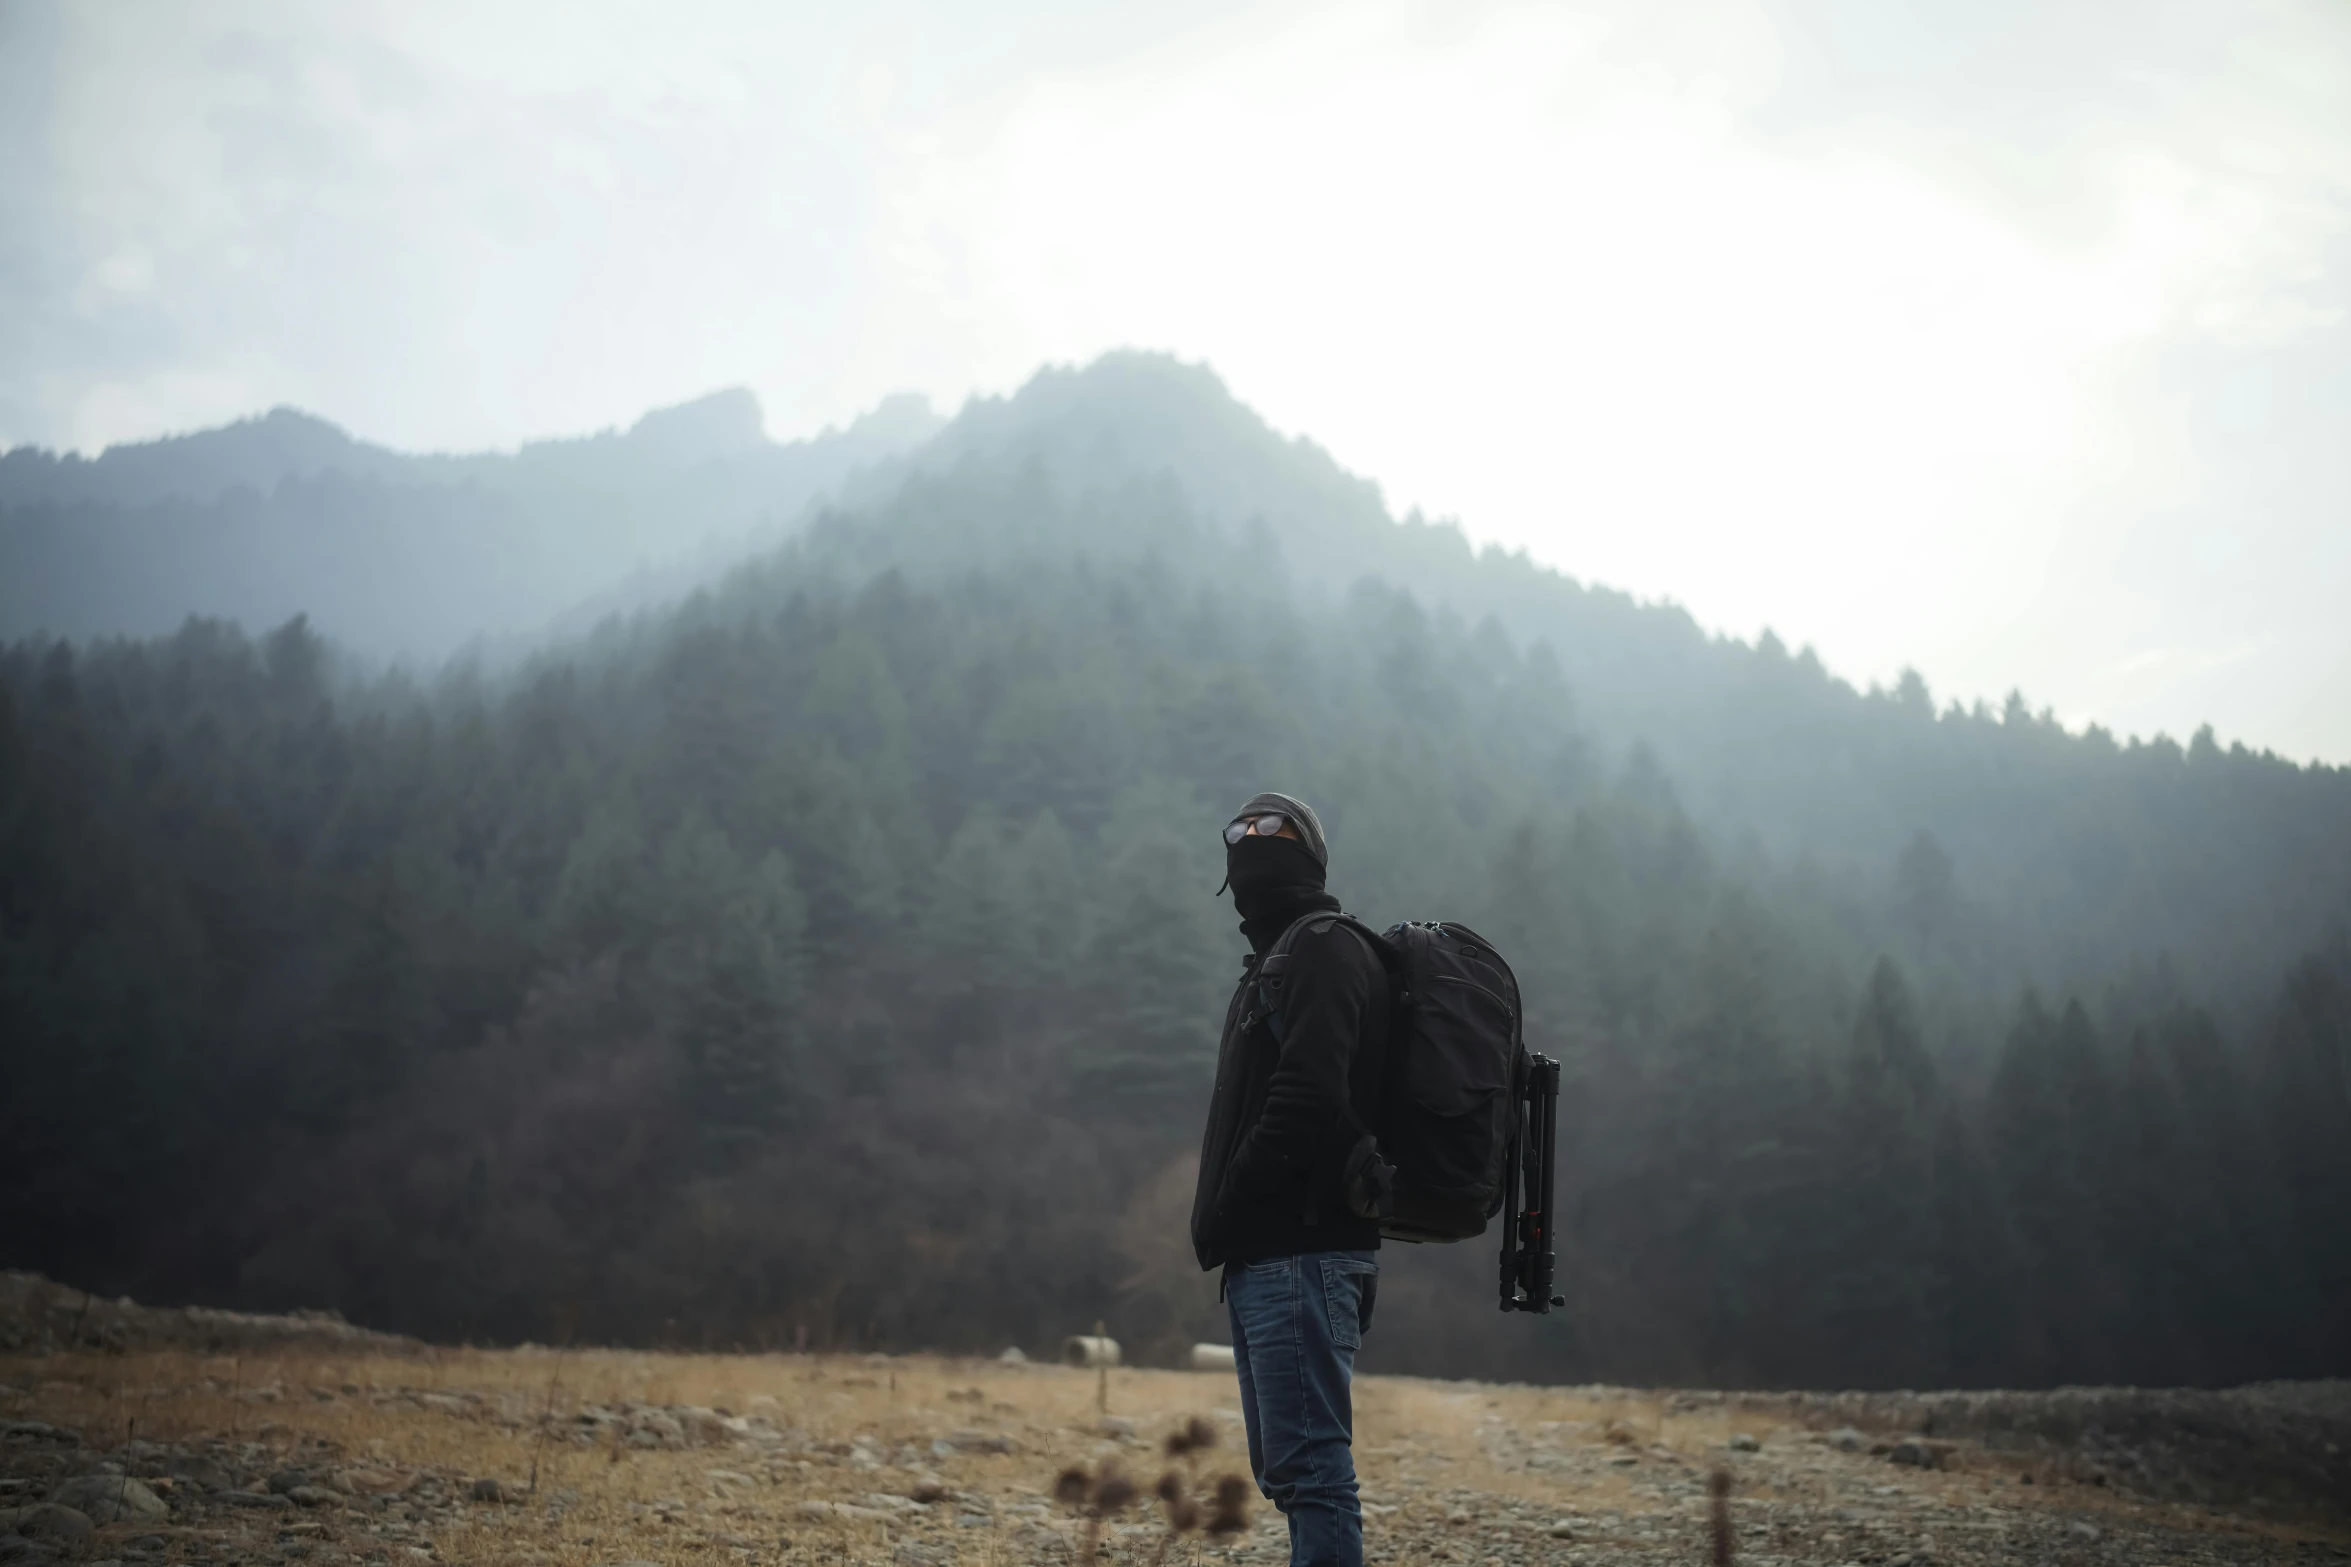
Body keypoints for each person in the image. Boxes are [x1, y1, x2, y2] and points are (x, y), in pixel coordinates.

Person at [1190, 790, 1390, 1567]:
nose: (1250, 840)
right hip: (1266, 1255)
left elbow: (1308, 1094)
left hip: (1301, 1248)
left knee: (1312, 1471)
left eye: (1271, 828)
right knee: (1288, 1469)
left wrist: (1235, 1199)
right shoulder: (1277, 959)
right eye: (1237, 831)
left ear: (1308, 855)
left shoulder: (1324, 949)